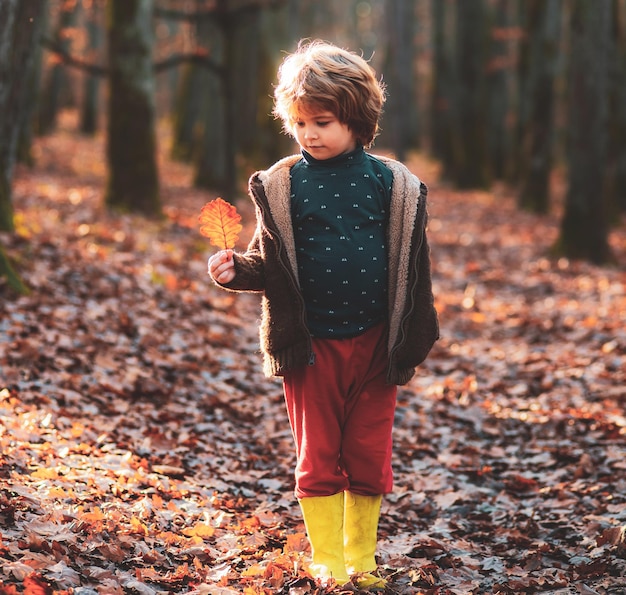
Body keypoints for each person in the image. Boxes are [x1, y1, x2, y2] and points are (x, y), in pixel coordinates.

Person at [208, 39, 438, 590]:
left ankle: (362, 557)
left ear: (357, 119)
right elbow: (271, 262)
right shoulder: (285, 186)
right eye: (300, 122)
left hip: (376, 341)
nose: (310, 133)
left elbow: (412, 262)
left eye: (323, 121)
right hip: (311, 346)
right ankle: (328, 558)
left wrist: (412, 334)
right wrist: (237, 270)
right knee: (317, 454)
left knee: (367, 450)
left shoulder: (391, 185)